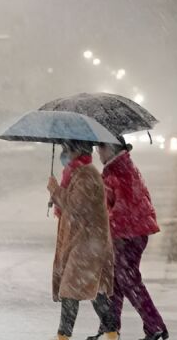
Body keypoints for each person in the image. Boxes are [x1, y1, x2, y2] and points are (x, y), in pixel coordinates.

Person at [88, 138, 169, 340]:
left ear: (111, 148)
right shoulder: (116, 169)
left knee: (128, 281)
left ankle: (155, 326)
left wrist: (106, 225)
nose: (98, 152)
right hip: (127, 233)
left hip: (129, 234)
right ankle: (110, 327)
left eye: (101, 148)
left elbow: (124, 208)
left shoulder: (120, 171)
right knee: (114, 282)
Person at [46, 140, 118, 340]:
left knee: (71, 289)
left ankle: (63, 336)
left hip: (88, 243)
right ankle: (112, 333)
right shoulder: (76, 174)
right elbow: (71, 203)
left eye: (66, 150)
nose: (64, 154)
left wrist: (55, 191)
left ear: (77, 151)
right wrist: (58, 194)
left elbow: (76, 206)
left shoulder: (86, 175)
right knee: (96, 292)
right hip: (83, 241)